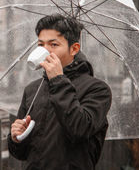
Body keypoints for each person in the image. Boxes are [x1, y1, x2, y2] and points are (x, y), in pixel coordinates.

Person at [8, 14, 112, 170]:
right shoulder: (33, 89)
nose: (45, 50)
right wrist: (16, 138)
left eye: (54, 45)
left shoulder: (97, 90)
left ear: (74, 49)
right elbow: (22, 154)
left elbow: (79, 129)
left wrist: (58, 80)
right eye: (41, 44)